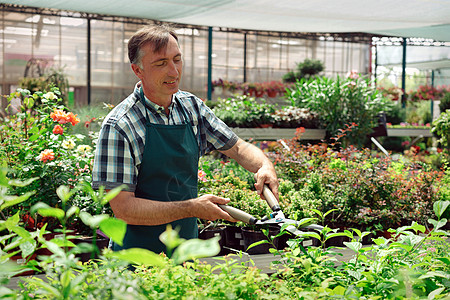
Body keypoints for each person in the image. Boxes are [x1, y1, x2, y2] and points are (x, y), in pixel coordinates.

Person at [92, 24, 278, 254]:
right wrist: (191, 207)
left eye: (177, 60)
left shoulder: (191, 108)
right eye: (161, 63)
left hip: (185, 250)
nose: (174, 71)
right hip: (136, 258)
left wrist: (264, 166)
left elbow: (238, 148)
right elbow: (124, 208)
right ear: (137, 70)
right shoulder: (120, 125)